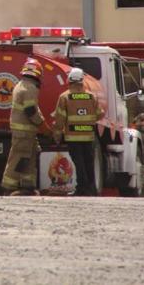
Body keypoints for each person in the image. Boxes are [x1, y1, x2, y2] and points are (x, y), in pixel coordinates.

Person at [1, 58, 52, 195]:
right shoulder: (30, 88)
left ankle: (27, 186)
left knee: (30, 156)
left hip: (26, 132)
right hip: (24, 131)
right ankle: (9, 187)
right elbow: (30, 111)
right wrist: (43, 126)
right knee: (19, 158)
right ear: (38, 73)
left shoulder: (21, 84)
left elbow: (33, 108)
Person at [53, 67, 104, 196]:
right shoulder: (92, 96)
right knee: (89, 162)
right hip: (88, 136)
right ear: (82, 81)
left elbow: (60, 118)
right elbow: (100, 114)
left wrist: (57, 133)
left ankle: (82, 188)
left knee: (79, 162)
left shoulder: (65, 97)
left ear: (69, 80)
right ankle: (91, 189)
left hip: (73, 136)